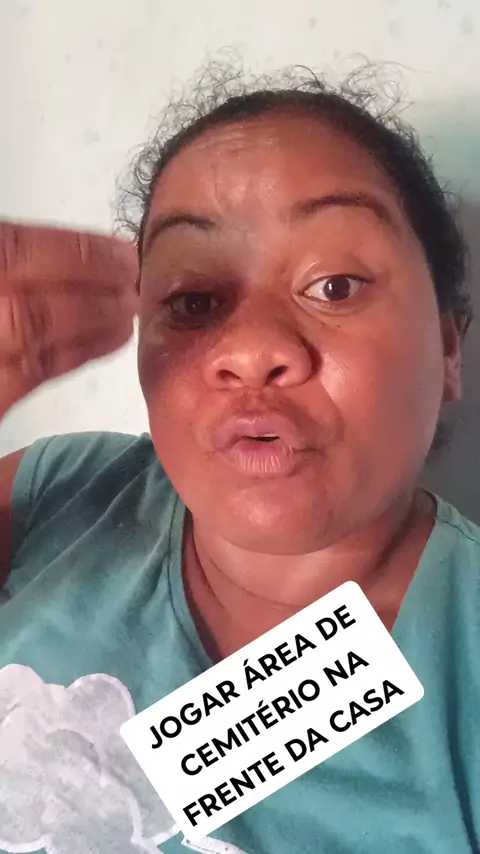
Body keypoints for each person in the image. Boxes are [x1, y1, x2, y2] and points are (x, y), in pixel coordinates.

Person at [0, 67, 478, 854]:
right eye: (194, 300)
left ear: (450, 349)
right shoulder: (58, 490)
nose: (251, 350)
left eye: (335, 285)